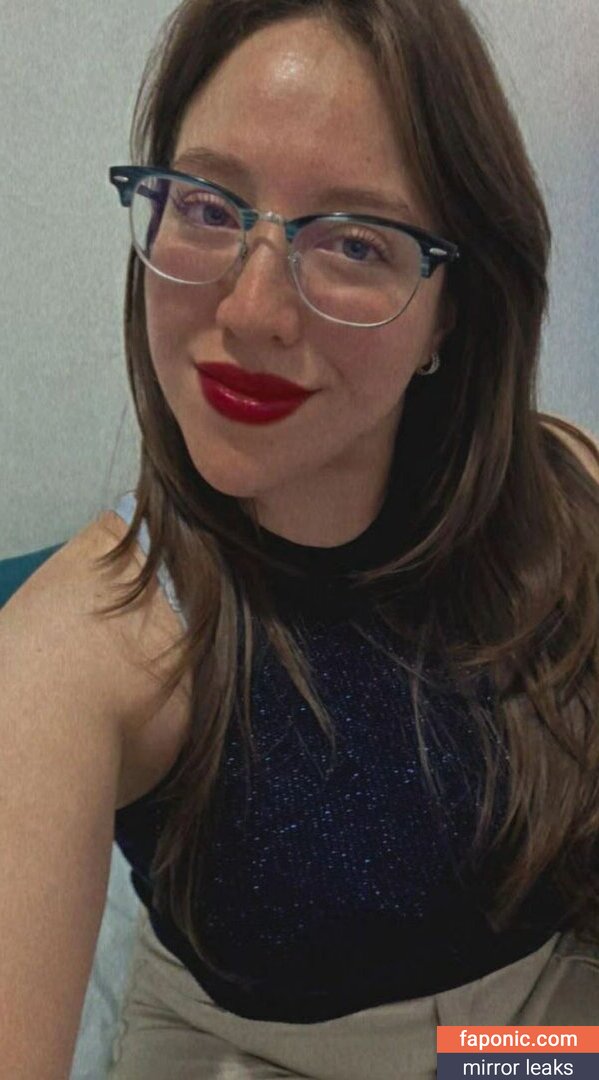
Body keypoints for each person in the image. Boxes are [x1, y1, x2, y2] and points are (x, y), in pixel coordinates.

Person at [2, 1, 598, 1078]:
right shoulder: (80, 652)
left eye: (354, 242)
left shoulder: (561, 497)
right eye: (207, 206)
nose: (252, 310)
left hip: (515, 1043)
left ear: (452, 309)